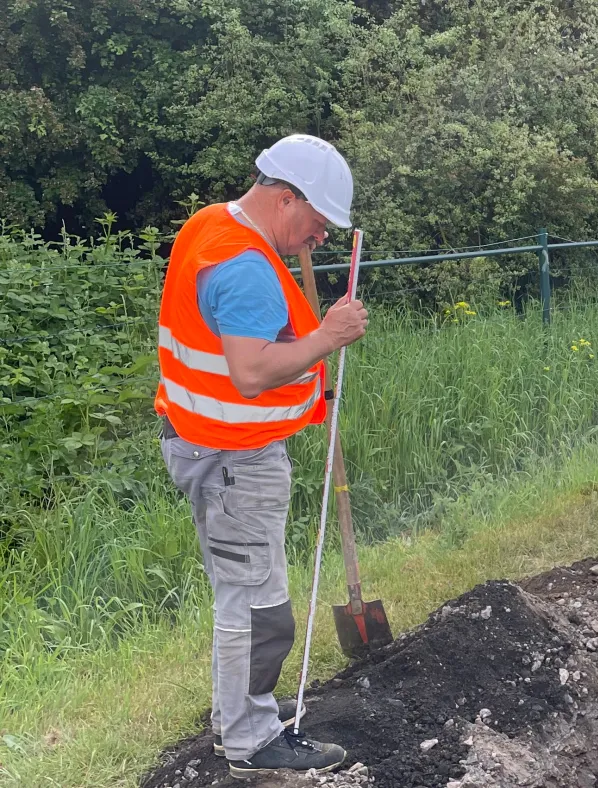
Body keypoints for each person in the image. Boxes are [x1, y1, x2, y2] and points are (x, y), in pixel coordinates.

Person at [153, 134, 367, 779]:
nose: (320, 236)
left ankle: (236, 724)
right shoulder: (244, 266)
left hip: (208, 447)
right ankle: (251, 743)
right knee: (257, 608)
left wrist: (310, 343)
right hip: (231, 460)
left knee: (244, 599)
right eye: (317, 221)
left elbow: (248, 347)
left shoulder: (213, 225)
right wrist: (328, 336)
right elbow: (250, 372)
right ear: (285, 198)